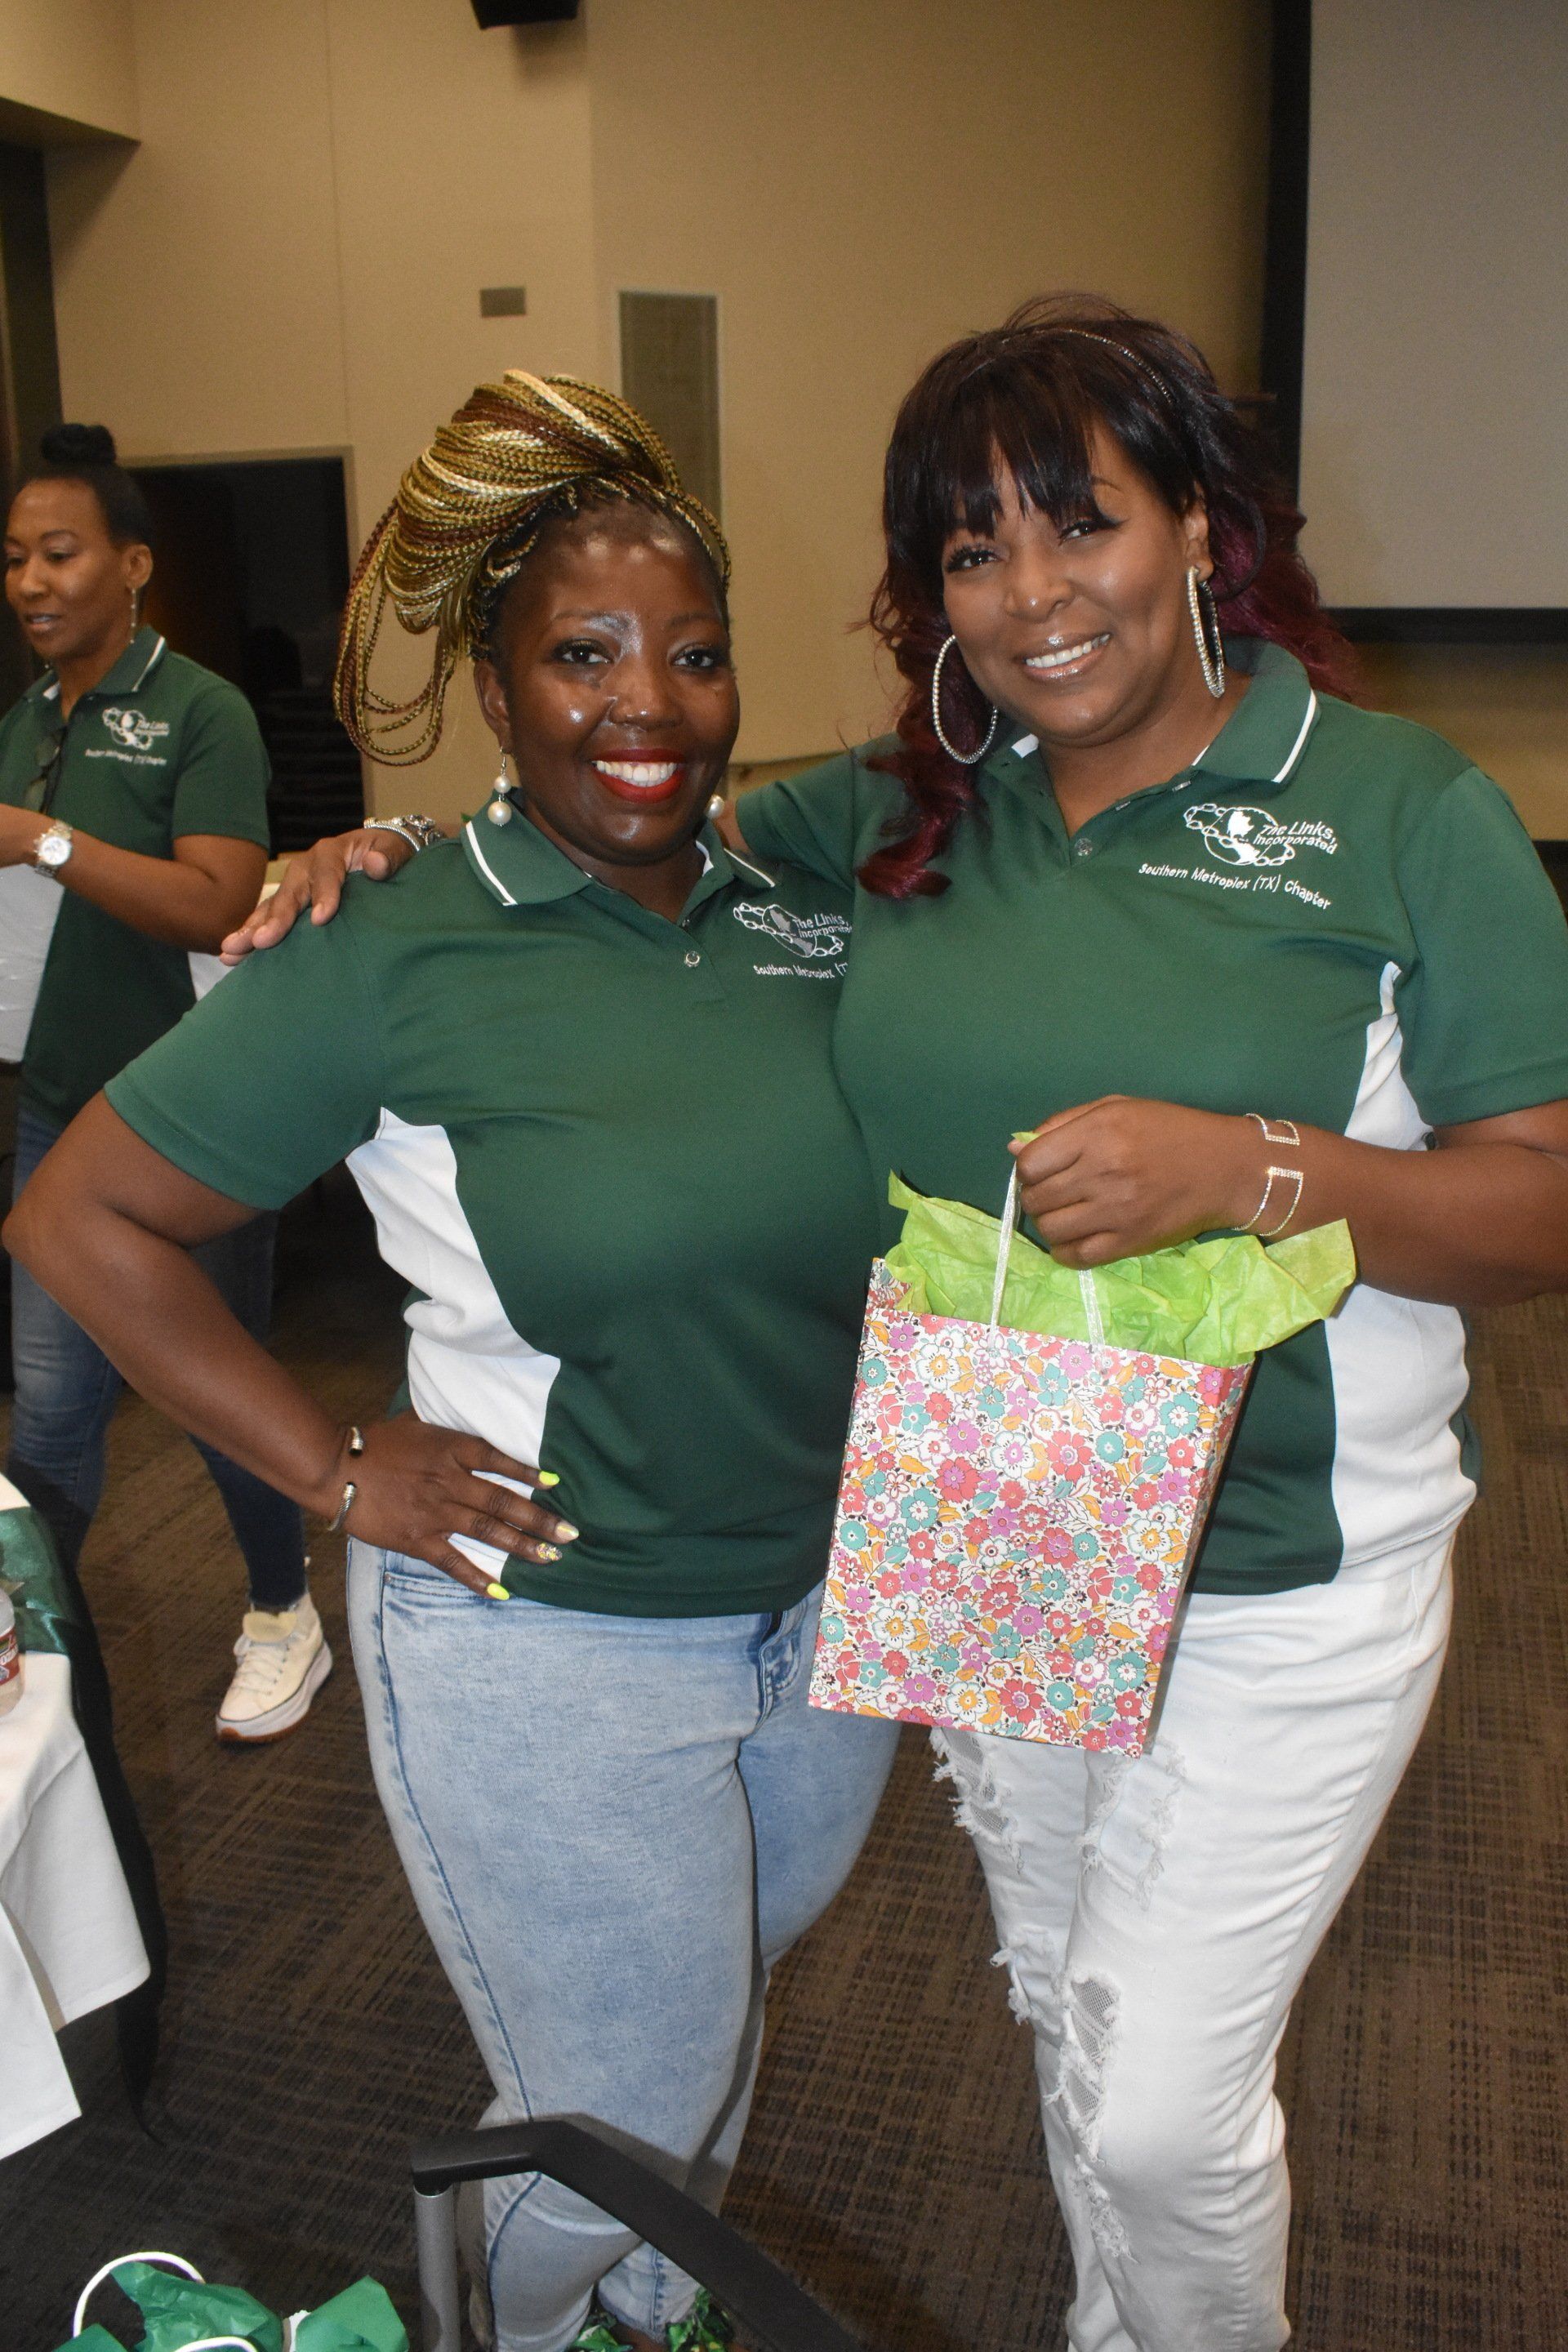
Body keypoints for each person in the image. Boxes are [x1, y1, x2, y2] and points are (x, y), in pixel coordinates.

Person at [252, 300, 1568, 2352]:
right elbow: (626, 822)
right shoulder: (896, 816)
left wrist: (1257, 1164)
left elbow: (1539, 1203)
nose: (1036, 595)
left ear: (1200, 529)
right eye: (975, 549)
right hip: (1001, 1513)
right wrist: (395, 855)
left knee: (1156, 2107)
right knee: (1065, 2009)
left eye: (1084, 525)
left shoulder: (1399, 811)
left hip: (1293, 1573)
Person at [7, 372, 899, 2352]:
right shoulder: (393, 939)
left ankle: (623, 2329)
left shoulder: (802, 900)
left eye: (693, 652)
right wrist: (333, 1472)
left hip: (832, 1621)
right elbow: (75, 1219)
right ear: (495, 687)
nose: (645, 703)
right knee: (631, 2108)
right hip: (549, 1630)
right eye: (579, 656)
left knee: (683, 2059)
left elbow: (992, 777)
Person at [0, 424, 320, 1743]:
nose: (30, 580)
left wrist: (47, 839)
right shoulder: (20, 722)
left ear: (132, 564)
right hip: (55, 1104)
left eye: (59, 552)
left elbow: (215, 901)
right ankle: (40, 1653)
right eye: (13, 557)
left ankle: (281, 1612)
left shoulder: (202, 711)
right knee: (53, 1402)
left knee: (209, 1381)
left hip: (193, 1123)